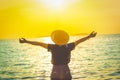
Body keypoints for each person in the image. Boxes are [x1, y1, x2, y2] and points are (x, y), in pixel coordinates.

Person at [19, 30, 97, 80]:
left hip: (55, 69)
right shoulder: (68, 46)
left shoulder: (52, 47)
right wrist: (89, 36)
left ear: (55, 39)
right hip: (65, 68)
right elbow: (79, 41)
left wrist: (26, 41)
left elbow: (39, 44)